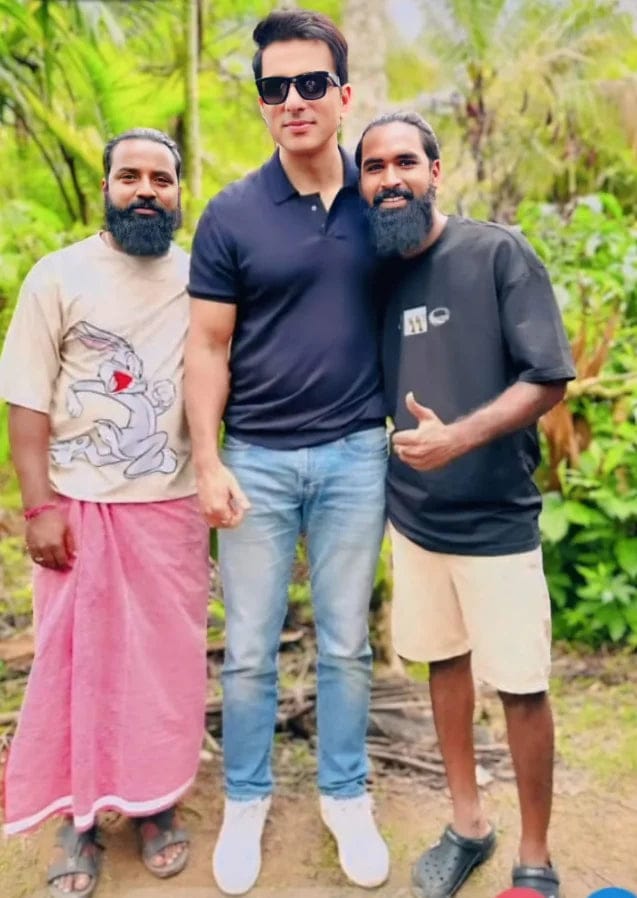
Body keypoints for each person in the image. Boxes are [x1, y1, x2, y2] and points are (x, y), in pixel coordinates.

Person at [185, 9, 389, 896]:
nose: (293, 100)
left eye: (311, 83)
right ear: (262, 102)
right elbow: (206, 347)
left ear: (343, 94)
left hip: (356, 454)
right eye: (275, 87)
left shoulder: (383, 201)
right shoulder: (231, 213)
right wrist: (209, 461)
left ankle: (345, 795)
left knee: (345, 644)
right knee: (247, 651)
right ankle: (246, 798)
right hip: (256, 460)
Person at [356, 111, 575, 898]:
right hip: (415, 520)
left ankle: (535, 855)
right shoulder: (376, 276)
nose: (390, 179)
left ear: (435, 172)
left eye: (404, 162)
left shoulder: (495, 253)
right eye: (373, 167)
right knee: (442, 663)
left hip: (496, 519)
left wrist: (458, 438)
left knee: (520, 684)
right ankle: (468, 825)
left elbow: (546, 377)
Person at [0, 128, 210, 898]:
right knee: (76, 669)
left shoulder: (200, 280)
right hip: (79, 509)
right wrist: (38, 507)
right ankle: (78, 818)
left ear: (179, 192)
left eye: (161, 178)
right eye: (130, 177)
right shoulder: (58, 276)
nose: (146, 190)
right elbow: (27, 397)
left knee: (164, 669)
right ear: (107, 188)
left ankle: (155, 806)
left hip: (171, 510)